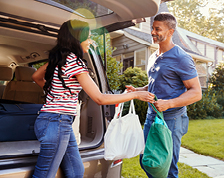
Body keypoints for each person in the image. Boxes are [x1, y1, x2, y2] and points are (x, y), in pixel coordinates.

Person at [31, 19, 155, 178]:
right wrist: (136, 94)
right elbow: (100, 98)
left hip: (52, 121)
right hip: (57, 122)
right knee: (44, 174)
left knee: (76, 171)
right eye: (88, 37)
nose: (90, 41)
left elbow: (35, 76)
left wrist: (55, 93)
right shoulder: (75, 63)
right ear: (76, 38)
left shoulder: (57, 60)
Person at [126, 12, 202, 178]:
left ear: (170, 31)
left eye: (157, 29)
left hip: (171, 120)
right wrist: (137, 90)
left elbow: (196, 92)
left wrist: (169, 103)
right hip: (151, 116)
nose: (153, 32)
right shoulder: (154, 56)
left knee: (166, 168)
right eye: (152, 28)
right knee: (148, 162)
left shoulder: (181, 58)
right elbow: (155, 84)